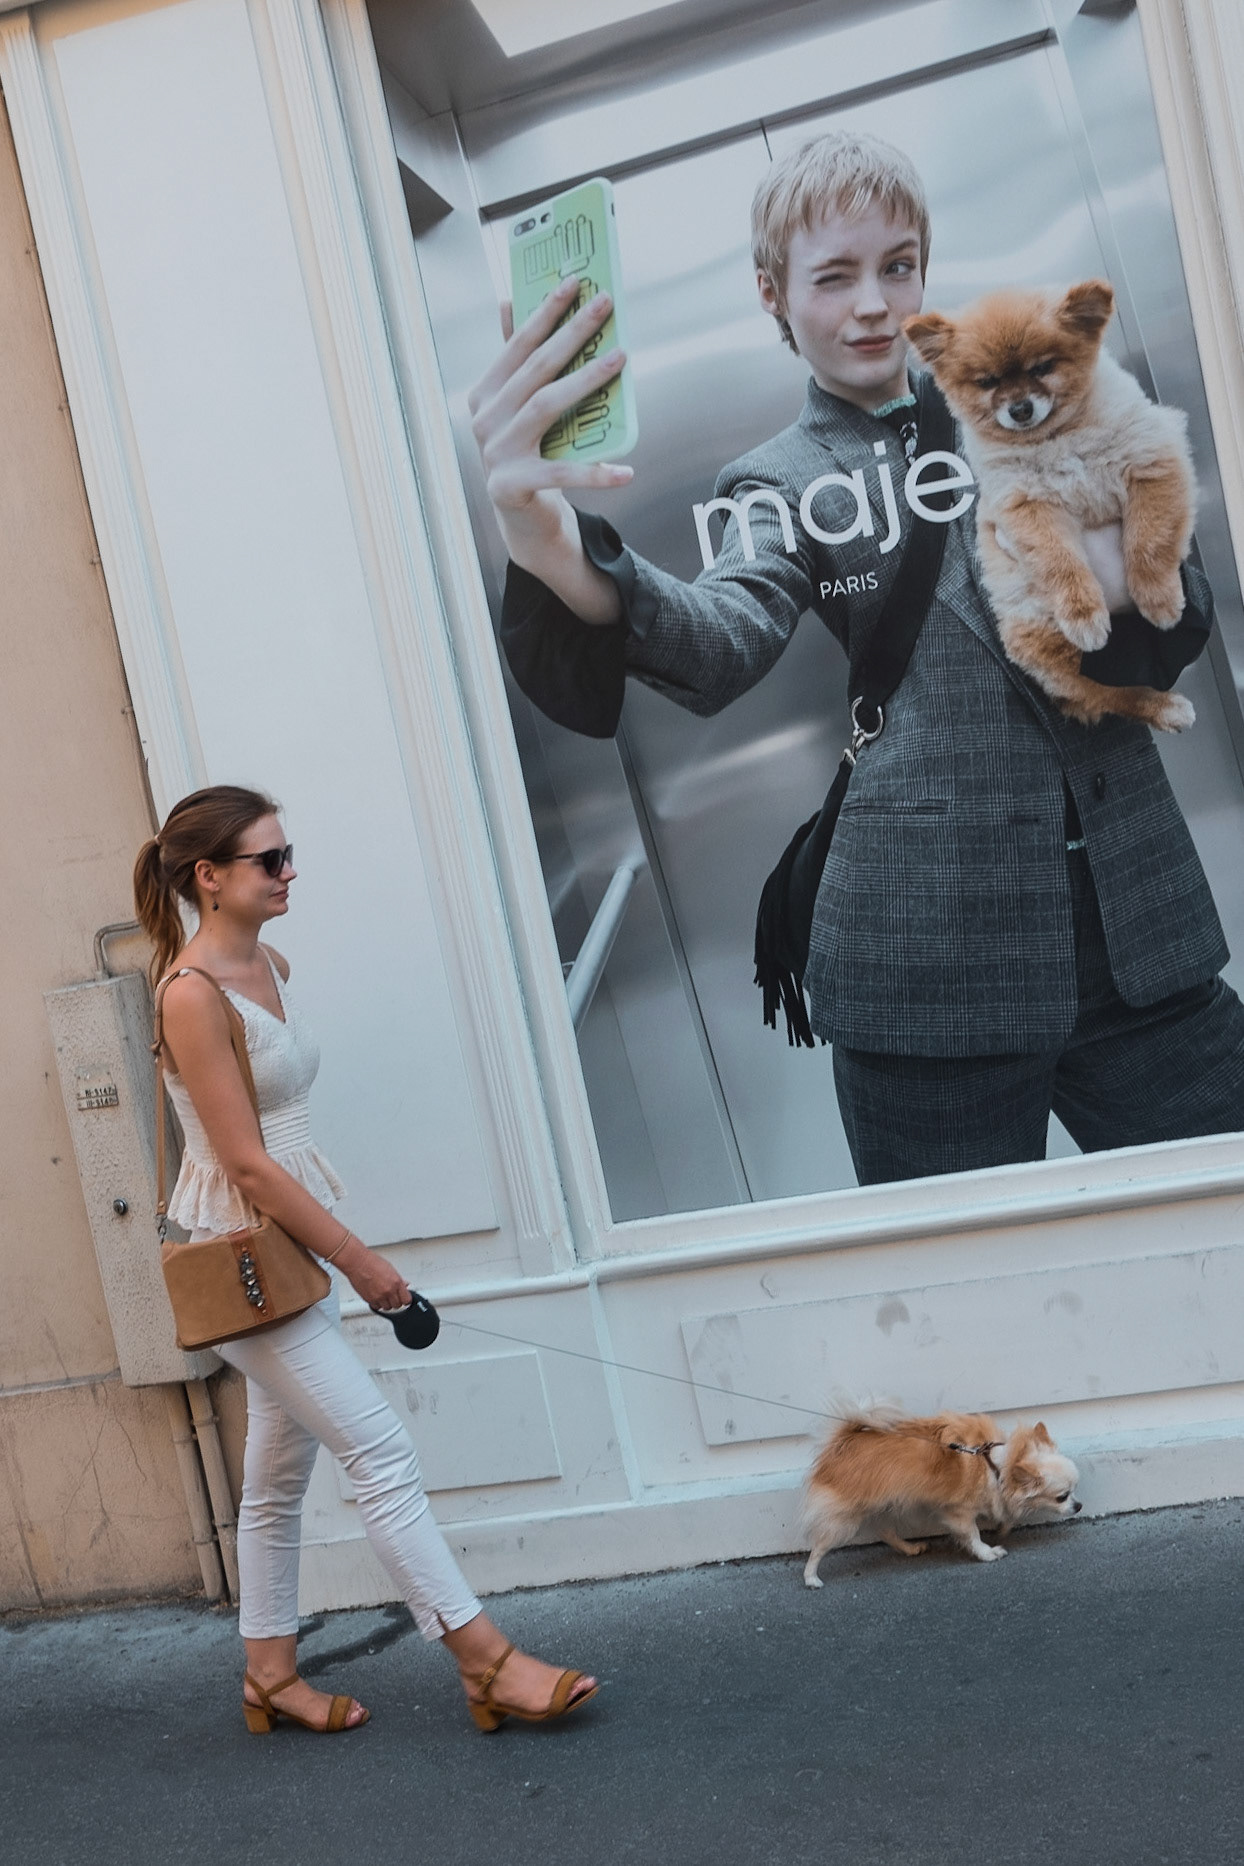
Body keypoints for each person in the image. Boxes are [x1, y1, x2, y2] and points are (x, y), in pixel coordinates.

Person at [468, 130, 1244, 1186]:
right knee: (959, 1303)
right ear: (771, 296)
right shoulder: (774, 481)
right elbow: (718, 642)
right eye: (832, 277)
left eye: (896, 265)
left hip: (1134, 927)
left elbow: (1179, 615)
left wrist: (1131, 577)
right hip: (926, 960)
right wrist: (543, 537)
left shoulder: (1032, 390)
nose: (872, 304)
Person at [134, 786, 598, 1735]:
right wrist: (362, 1263)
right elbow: (248, 1165)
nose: (289, 871)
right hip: (250, 1257)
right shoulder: (189, 997)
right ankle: (486, 1661)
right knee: (379, 1450)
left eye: (287, 852)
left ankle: (268, 1676)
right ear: (208, 878)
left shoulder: (270, 961)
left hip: (288, 1250)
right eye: (268, 860)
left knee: (274, 1478)